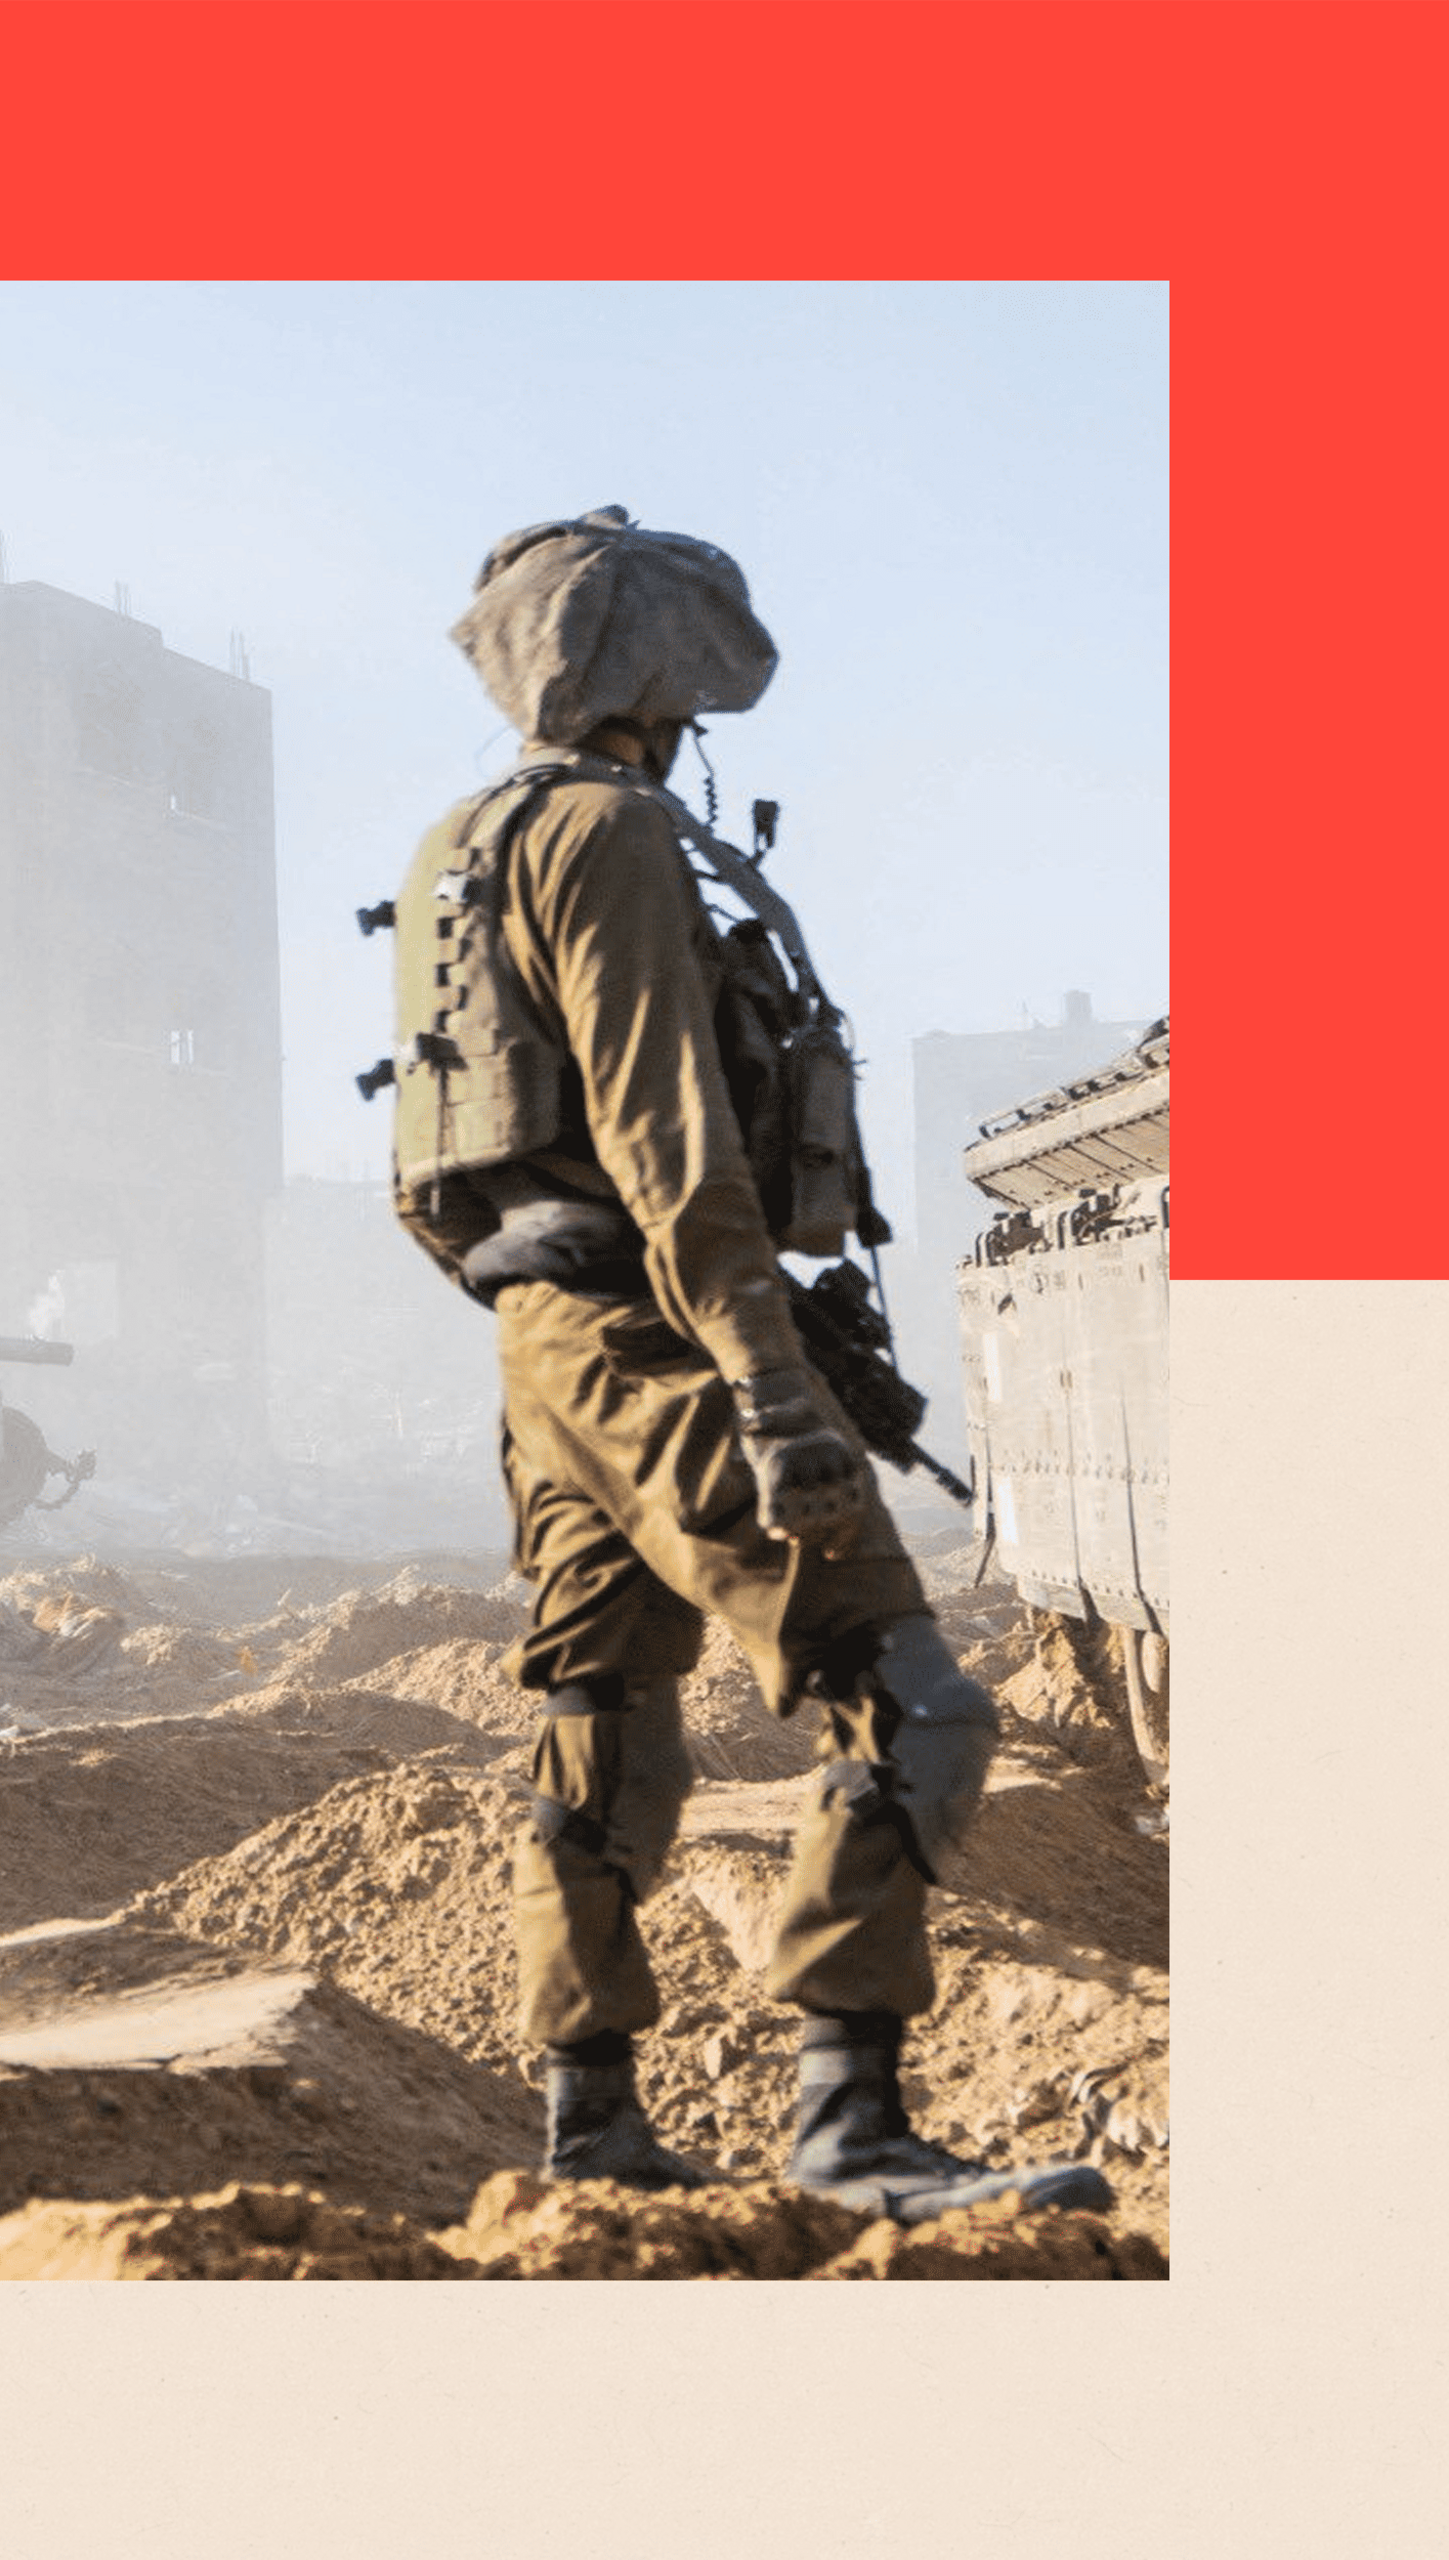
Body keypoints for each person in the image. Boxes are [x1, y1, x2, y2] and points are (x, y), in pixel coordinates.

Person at [382, 508, 1110, 2223]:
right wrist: (772, 1389)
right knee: (912, 1700)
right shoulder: (615, 838)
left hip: (547, 1345)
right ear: (654, 675)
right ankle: (849, 2127)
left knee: (600, 1726)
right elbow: (671, 1143)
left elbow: (429, 1179)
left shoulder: (453, 849)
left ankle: (591, 2132)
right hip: (663, 1324)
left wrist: (541, 1326)